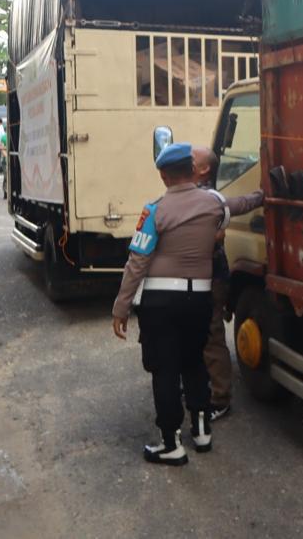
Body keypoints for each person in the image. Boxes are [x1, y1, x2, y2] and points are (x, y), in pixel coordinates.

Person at [111, 143, 236, 464]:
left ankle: (171, 445)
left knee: (165, 370)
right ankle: (202, 432)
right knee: (195, 363)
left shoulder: (155, 211)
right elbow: (227, 219)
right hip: (200, 299)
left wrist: (121, 307)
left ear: (163, 176)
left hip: (161, 303)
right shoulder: (214, 205)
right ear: (192, 172)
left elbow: (137, 262)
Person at [191, 145, 264, 421]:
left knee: (211, 335)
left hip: (210, 278)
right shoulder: (189, 192)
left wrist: (260, 197)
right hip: (197, 276)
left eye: (191, 158)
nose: (186, 160)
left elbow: (238, 205)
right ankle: (203, 384)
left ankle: (219, 398)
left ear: (204, 169)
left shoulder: (209, 198)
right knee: (197, 334)